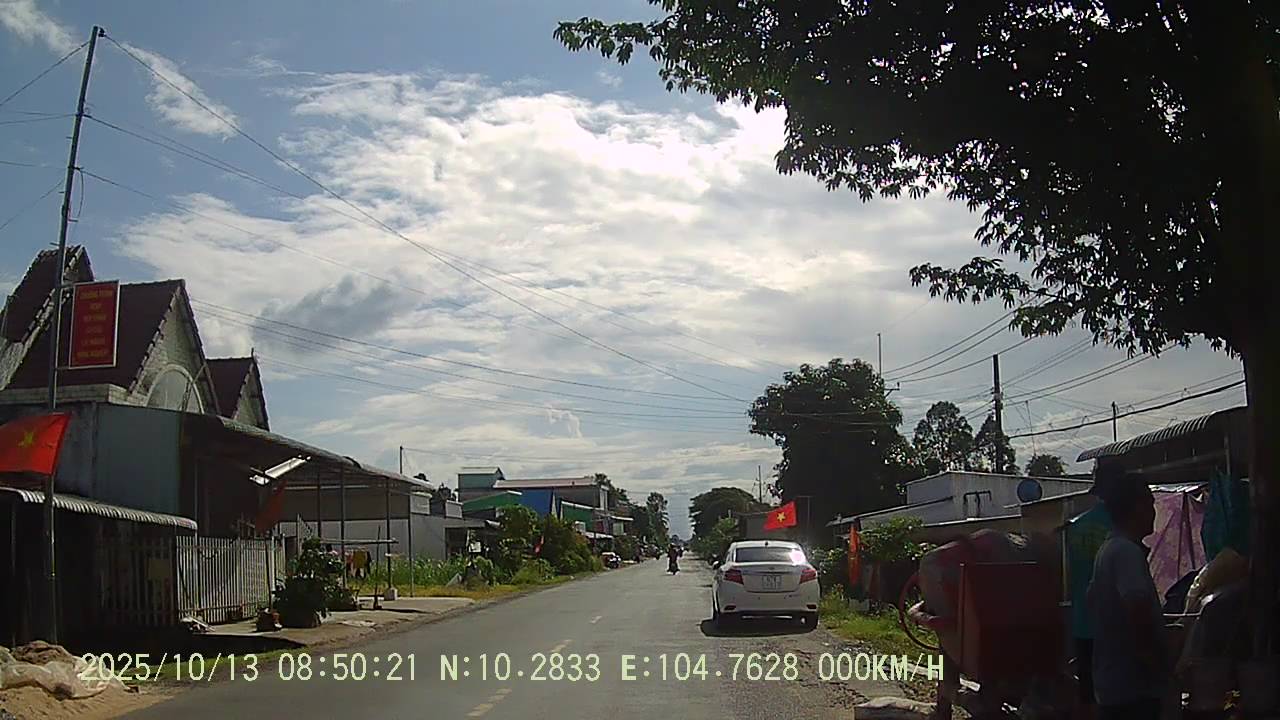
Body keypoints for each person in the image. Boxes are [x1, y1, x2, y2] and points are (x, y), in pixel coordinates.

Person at [1086, 470, 1168, 720]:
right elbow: (1137, 609)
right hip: (1132, 690)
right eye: (1150, 504)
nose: (1153, 512)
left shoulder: (1108, 548)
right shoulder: (1126, 553)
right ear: (1137, 507)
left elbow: (1092, 600)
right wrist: (1154, 661)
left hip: (1113, 686)